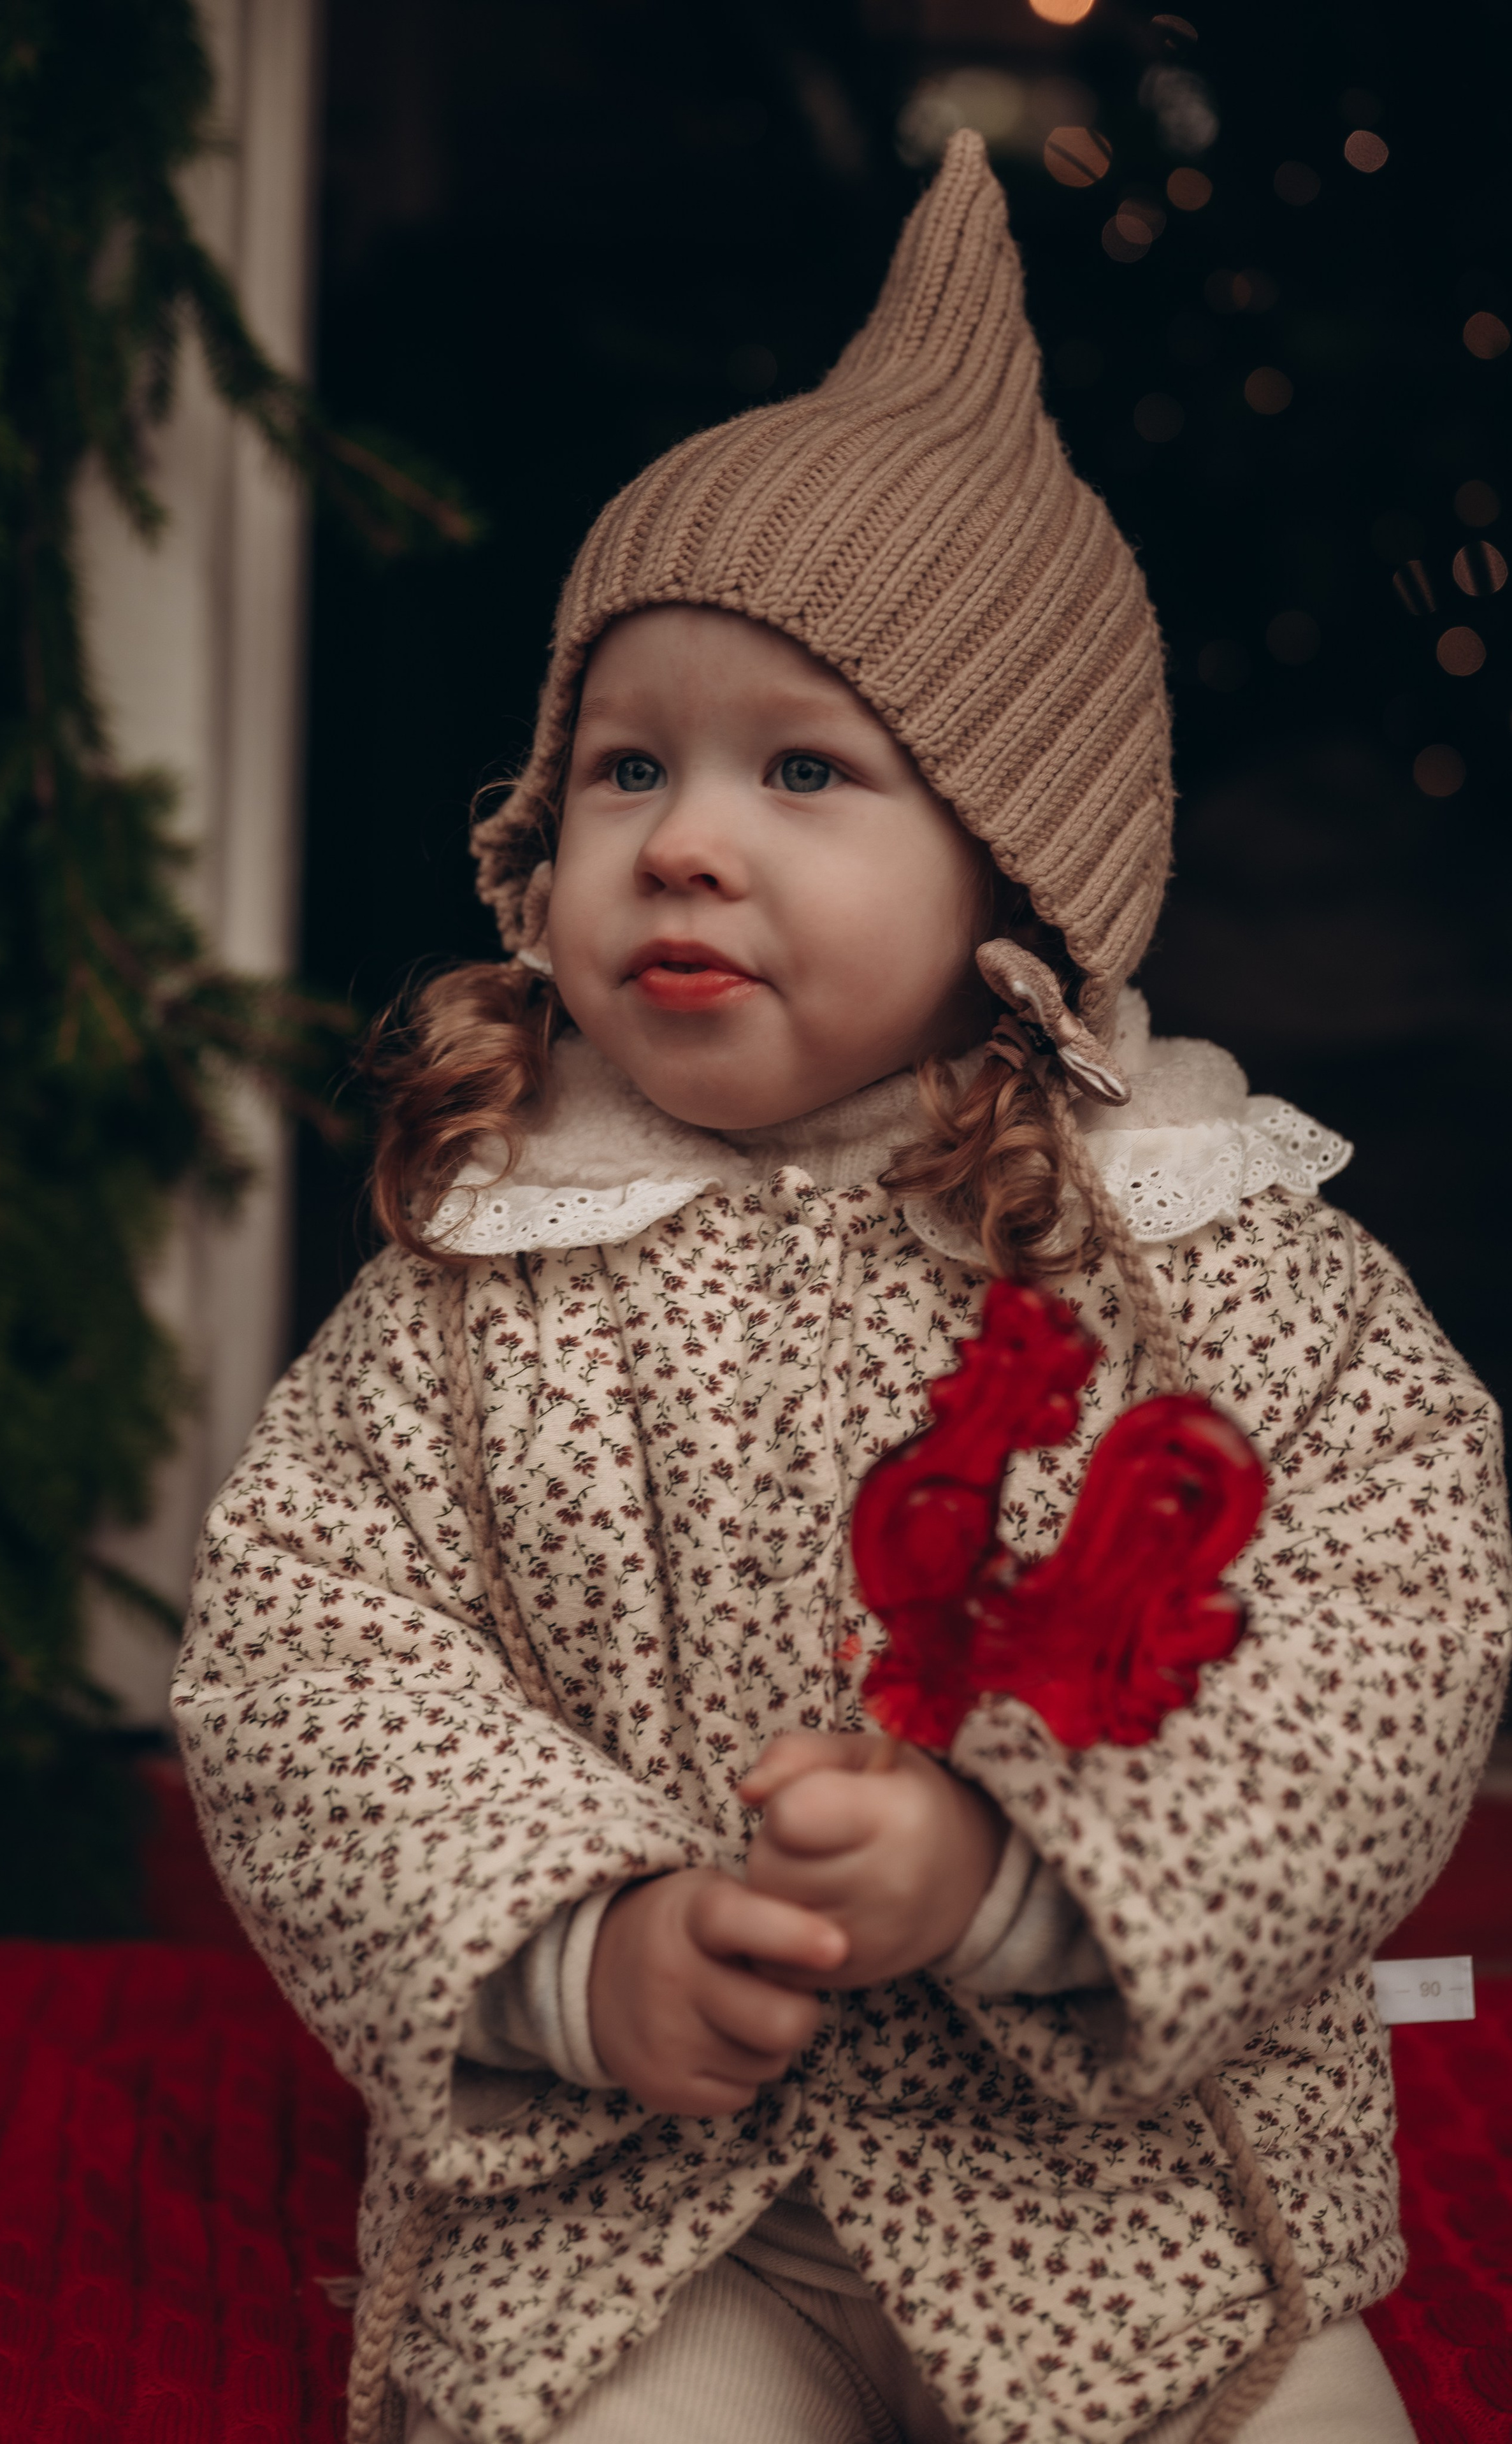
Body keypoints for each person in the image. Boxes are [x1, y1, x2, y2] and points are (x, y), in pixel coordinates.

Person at [172, 133, 1508, 2444]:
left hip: (1132, 2185)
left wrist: (1020, 1871)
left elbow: (1405, 1616)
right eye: (626, 767)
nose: (687, 835)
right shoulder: (489, 1275)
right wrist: (582, 1951)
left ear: (1020, 869)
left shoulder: (1208, 1260)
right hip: (649, 2194)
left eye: (806, 768)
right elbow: (306, 1652)